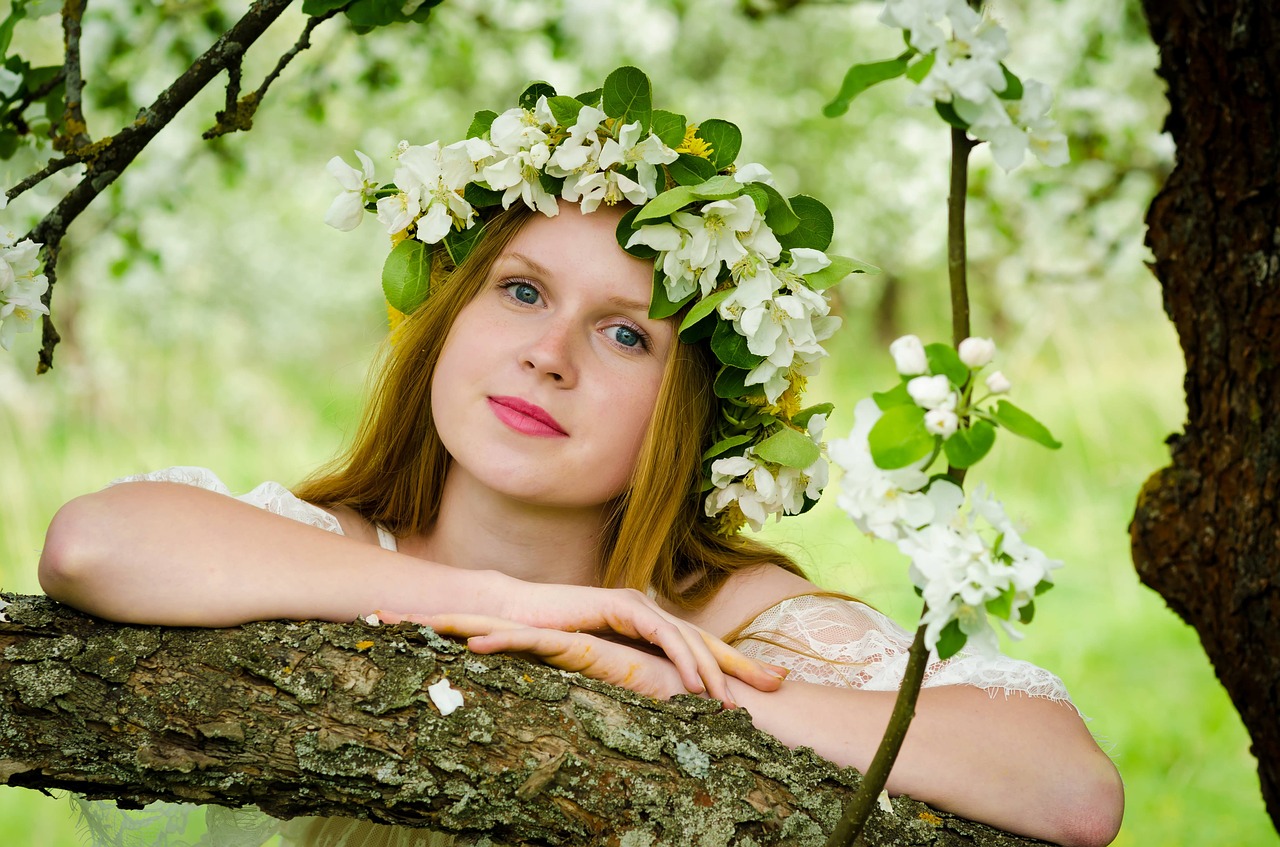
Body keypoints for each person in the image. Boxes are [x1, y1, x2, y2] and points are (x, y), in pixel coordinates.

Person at [38, 68, 1123, 847]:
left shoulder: (729, 622)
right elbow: (92, 547)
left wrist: (675, 689)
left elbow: (1071, 792)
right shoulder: (342, 549)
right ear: (449, 322)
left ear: (688, 411)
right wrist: (501, 600)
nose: (545, 356)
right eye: (520, 291)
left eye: (622, 334)